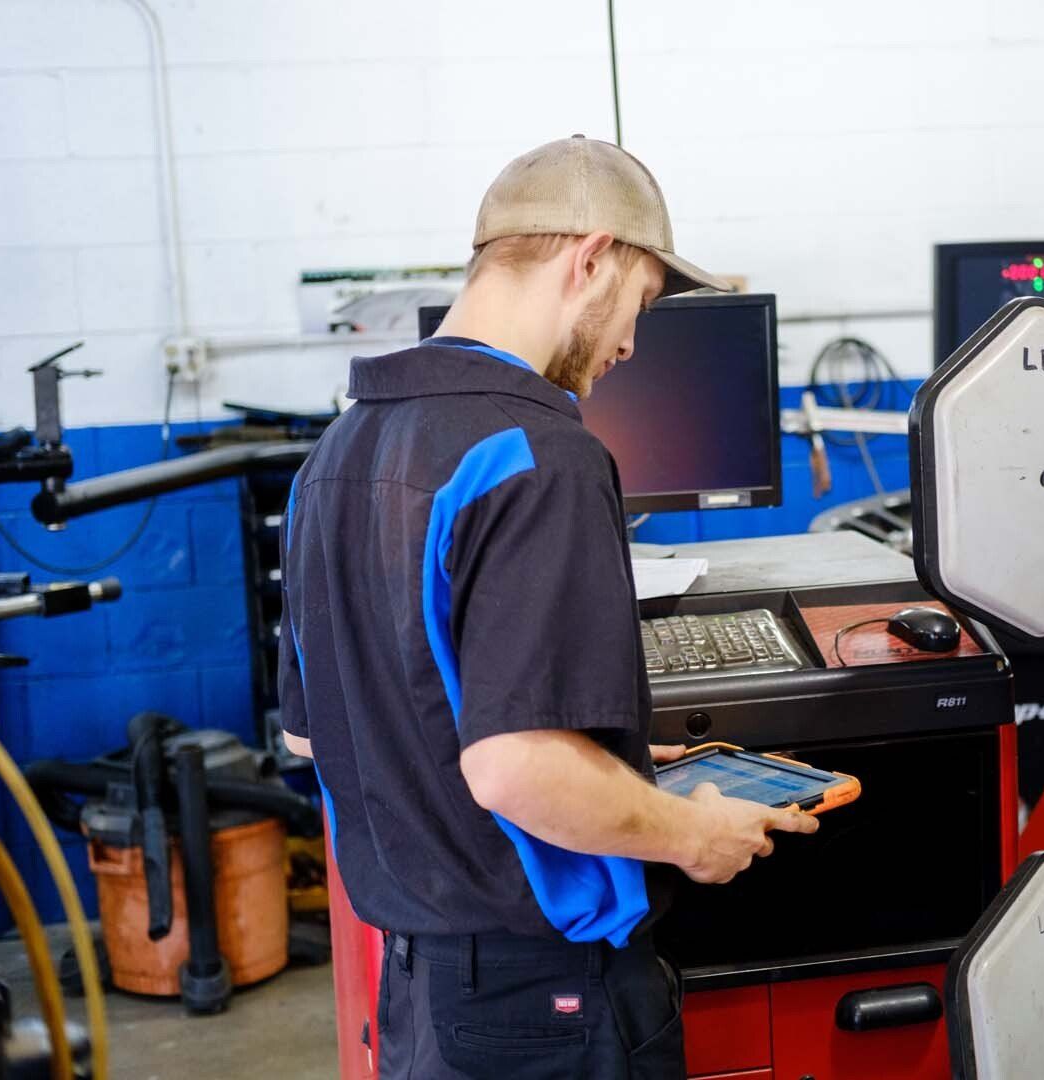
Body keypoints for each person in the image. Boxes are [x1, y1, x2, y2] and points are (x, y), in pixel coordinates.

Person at [277, 135, 818, 1079]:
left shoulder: (335, 457)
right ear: (590, 259)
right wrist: (696, 833)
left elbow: (321, 736)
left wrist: (610, 762)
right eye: (640, 306)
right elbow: (514, 768)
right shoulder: (539, 456)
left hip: (419, 1003)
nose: (630, 346)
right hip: (546, 1008)